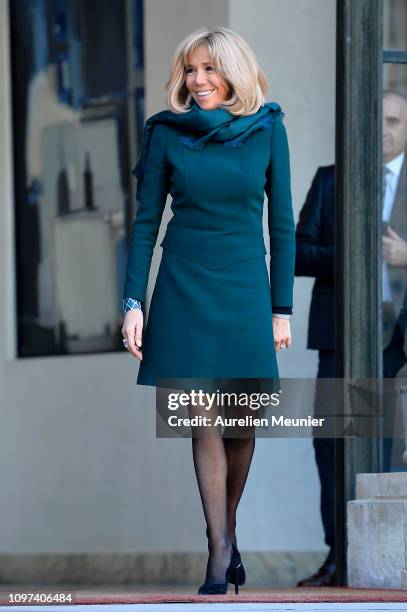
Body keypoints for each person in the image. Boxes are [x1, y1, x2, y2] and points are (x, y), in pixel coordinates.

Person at [121, 27, 295, 595]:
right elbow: (145, 224)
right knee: (204, 417)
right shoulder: (165, 134)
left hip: (245, 285)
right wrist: (133, 303)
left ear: (233, 72)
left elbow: (283, 224)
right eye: (190, 70)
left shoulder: (269, 128)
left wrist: (281, 308)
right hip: (185, 284)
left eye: (209, 70)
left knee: (243, 421)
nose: (197, 81)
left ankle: (230, 527)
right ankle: (218, 551)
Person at [295, 88, 407, 587]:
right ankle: (339, 557)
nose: (383, 129)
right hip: (342, 334)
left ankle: (386, 558)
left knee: (384, 443)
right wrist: (353, 250)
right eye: (376, 119)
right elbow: (297, 253)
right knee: (333, 445)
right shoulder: (329, 181)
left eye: (394, 121)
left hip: (397, 338)